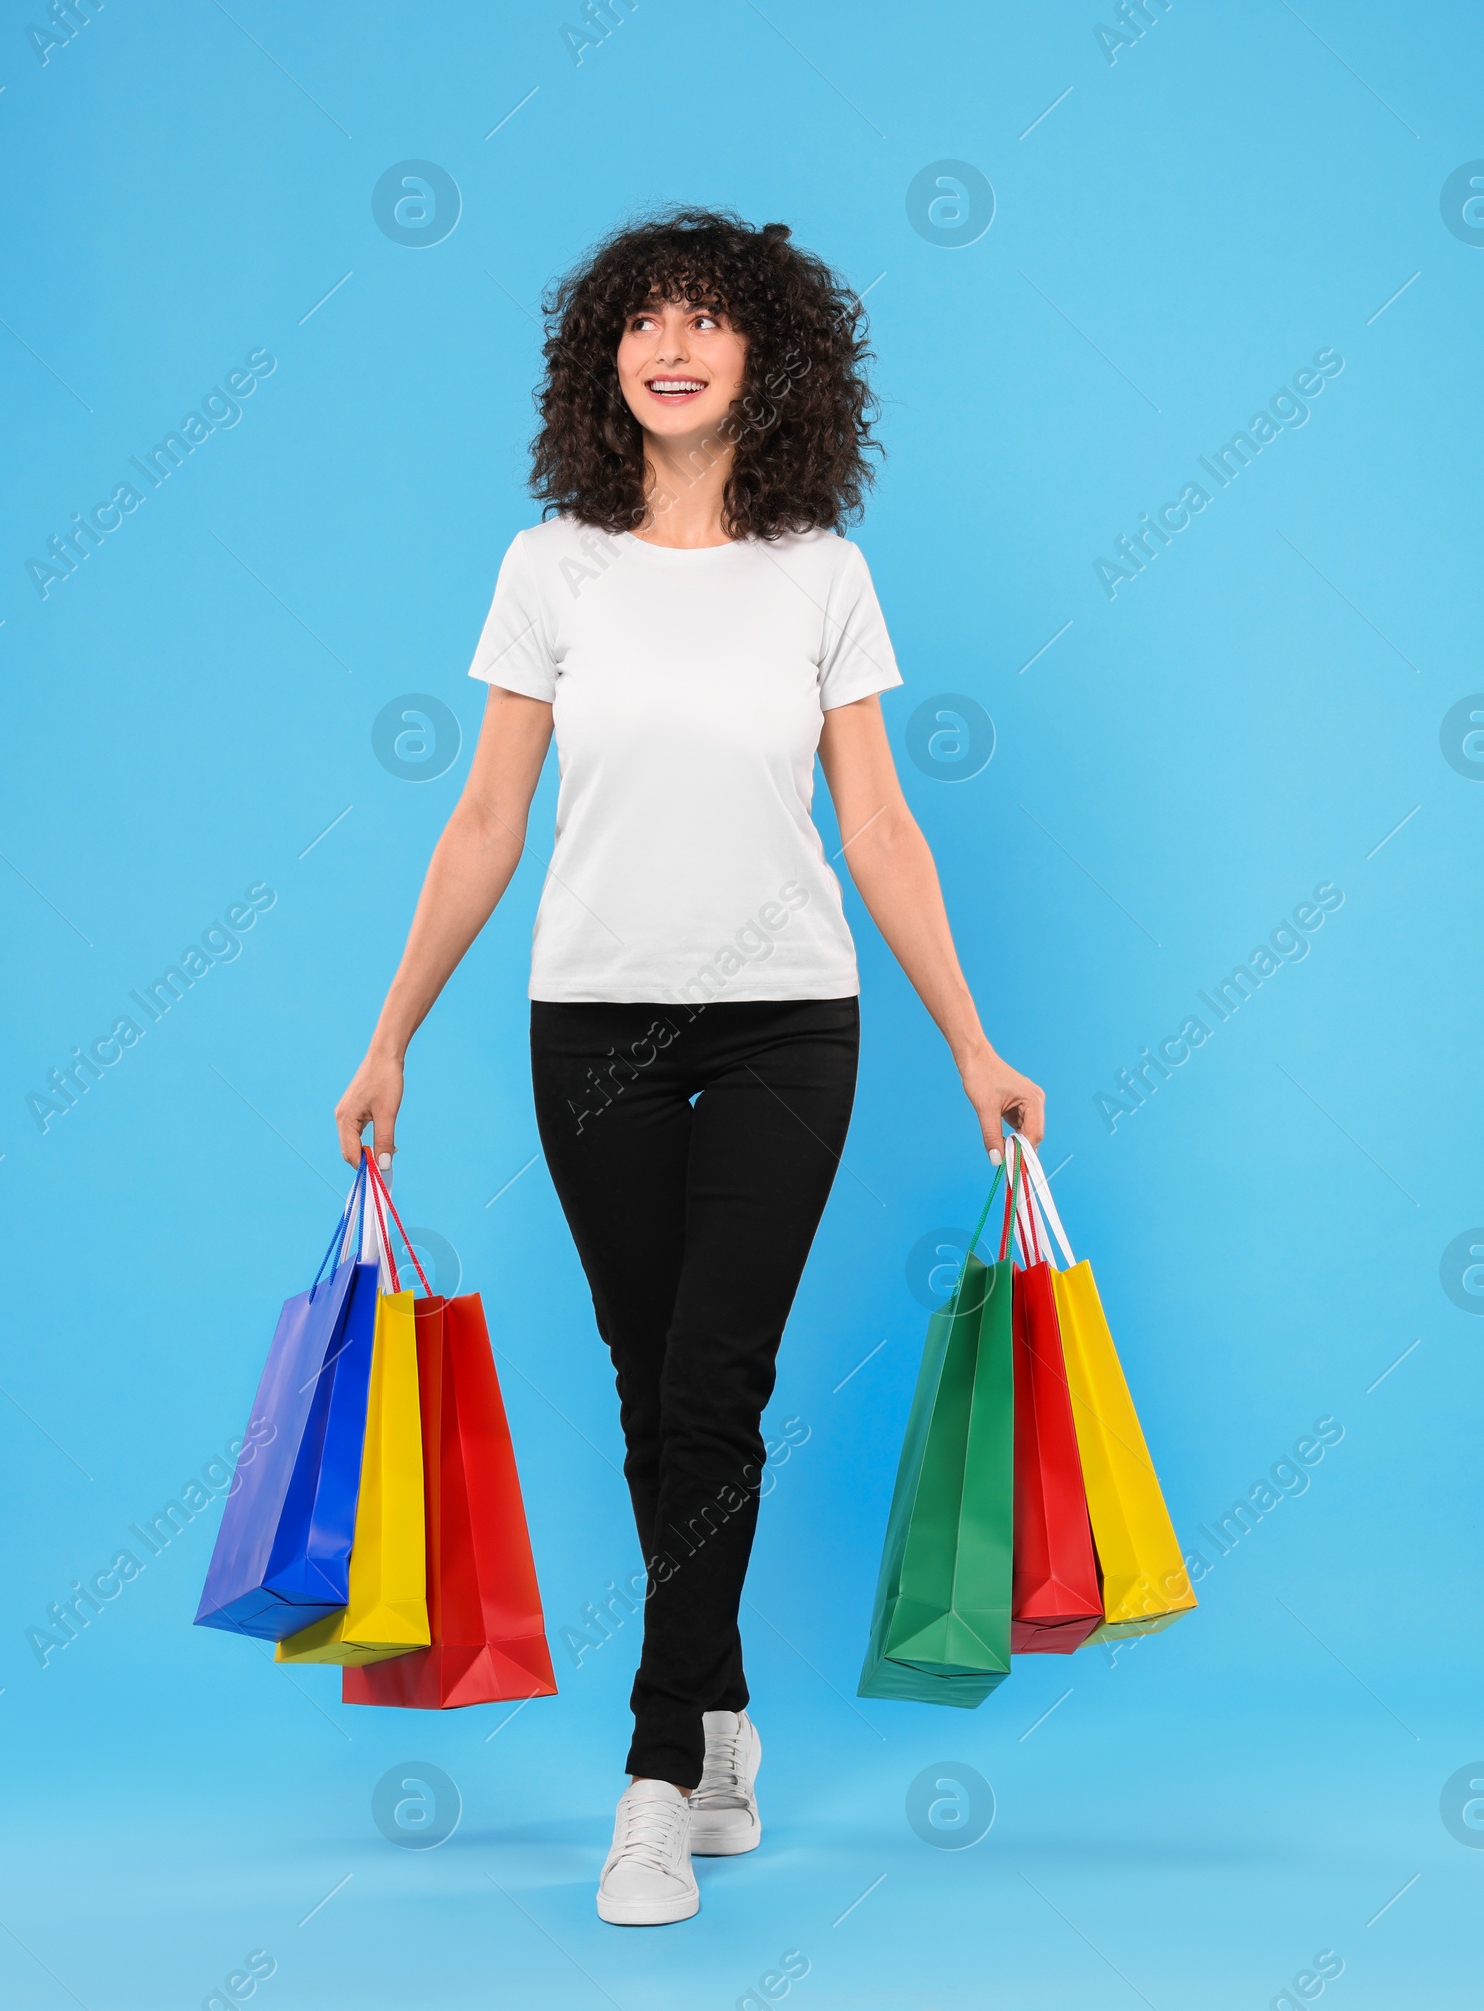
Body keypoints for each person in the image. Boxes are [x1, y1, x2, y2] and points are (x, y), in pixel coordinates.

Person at [335, 206, 1044, 1926]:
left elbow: (875, 823)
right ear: (605, 359)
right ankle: (721, 1708)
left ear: (765, 356)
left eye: (709, 319)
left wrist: (972, 1038)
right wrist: (390, 1032)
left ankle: (655, 1778)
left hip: (793, 1020)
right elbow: (489, 814)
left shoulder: (822, 570)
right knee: (654, 1387)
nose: (673, 342)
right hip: (595, 1028)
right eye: (644, 317)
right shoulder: (548, 567)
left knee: (714, 1379)